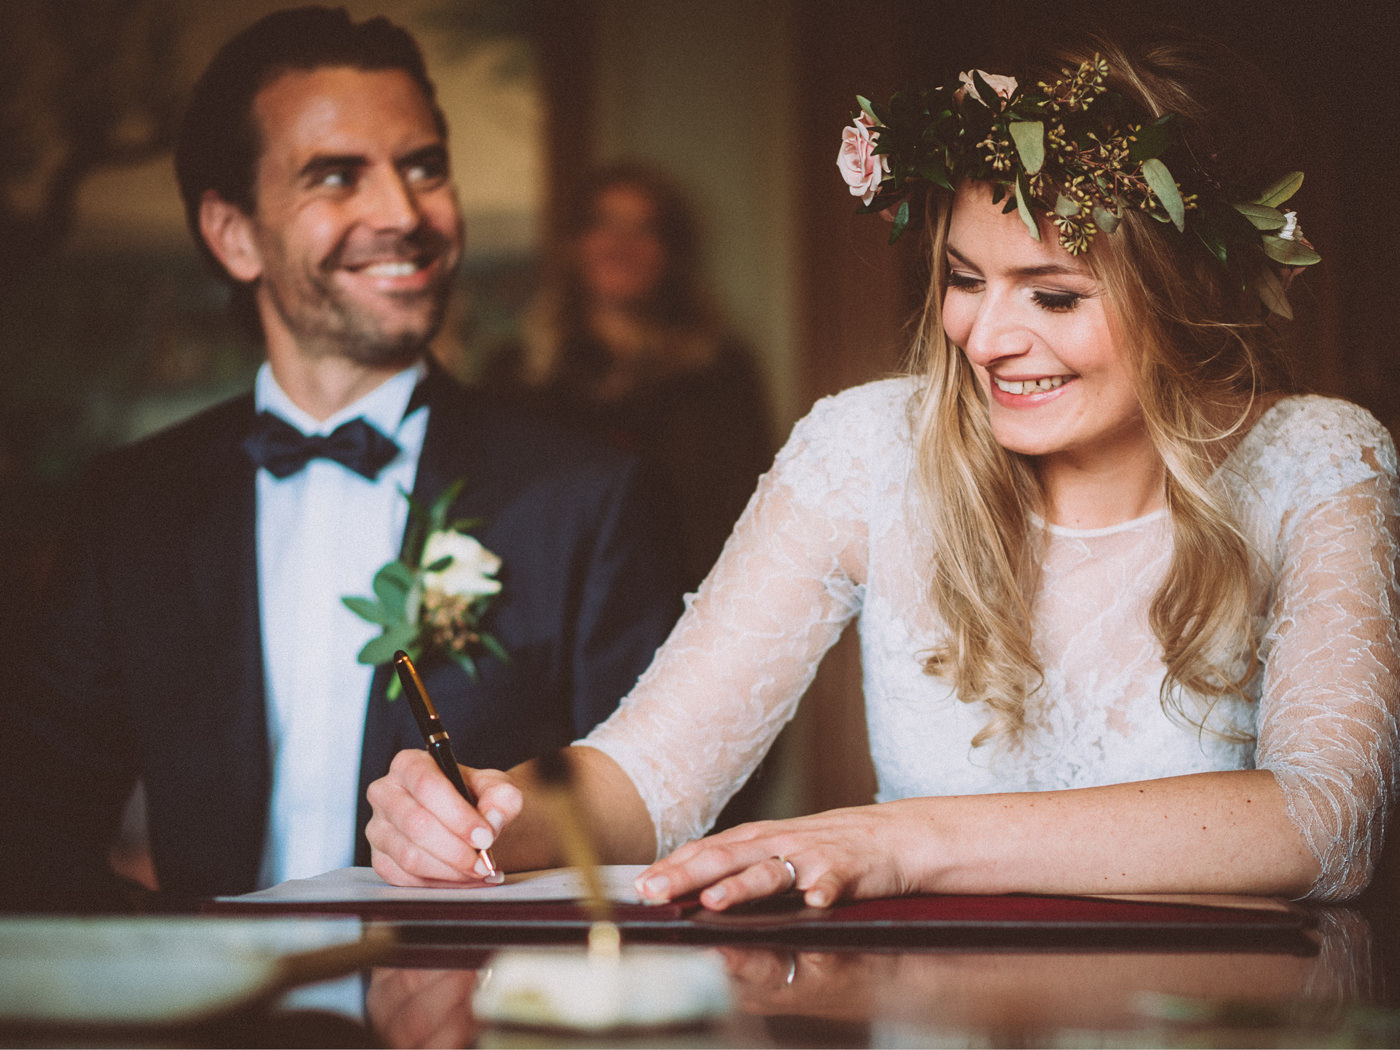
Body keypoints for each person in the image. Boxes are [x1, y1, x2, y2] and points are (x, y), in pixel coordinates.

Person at [366, 22, 1399, 907]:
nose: (984, 336)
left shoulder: (1316, 460)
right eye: (962, 279)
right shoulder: (863, 448)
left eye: (1051, 295)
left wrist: (902, 841)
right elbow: (647, 773)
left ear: (1174, 293)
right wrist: (495, 816)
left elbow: (1326, 821)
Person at [0, 6, 678, 910]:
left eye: (424, 167)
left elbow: (662, 817)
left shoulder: (586, 496)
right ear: (233, 232)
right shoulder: (133, 507)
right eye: (335, 177)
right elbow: (36, 836)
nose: (402, 213)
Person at [482, 161, 774, 595]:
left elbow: (747, 513)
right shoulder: (515, 371)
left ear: (671, 252)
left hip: (684, 612)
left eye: (644, 229)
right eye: (605, 224)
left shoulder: (720, 371)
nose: (621, 245)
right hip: (547, 604)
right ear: (575, 244)